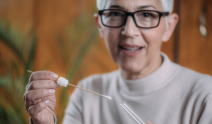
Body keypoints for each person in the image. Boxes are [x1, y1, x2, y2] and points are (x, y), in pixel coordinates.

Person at [24, 0, 212, 123]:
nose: (129, 31)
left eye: (146, 15)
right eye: (115, 14)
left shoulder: (205, 95)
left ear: (169, 27)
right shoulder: (87, 93)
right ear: (100, 25)